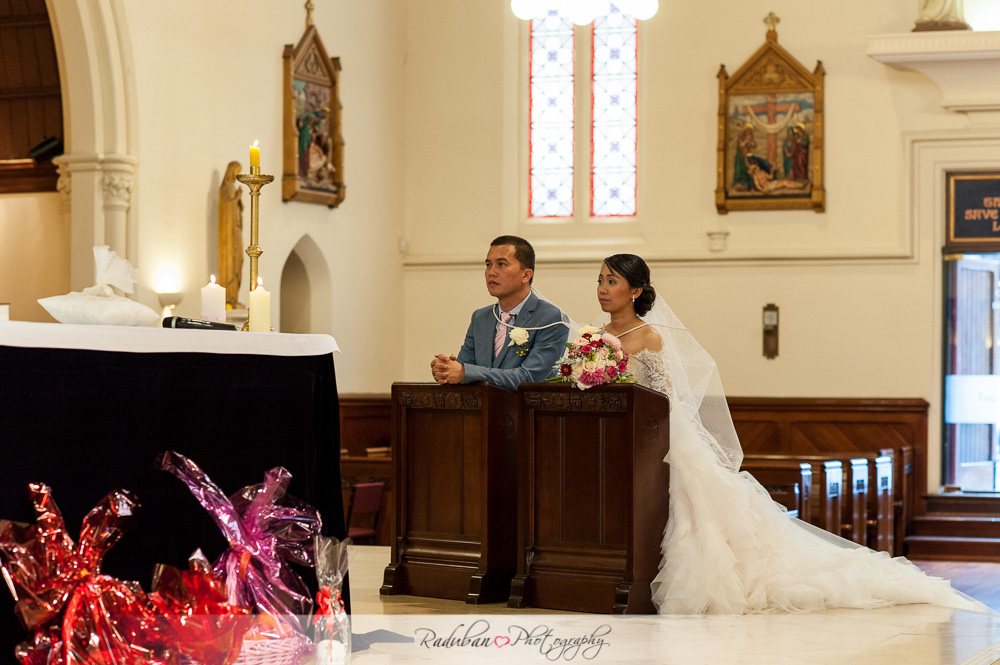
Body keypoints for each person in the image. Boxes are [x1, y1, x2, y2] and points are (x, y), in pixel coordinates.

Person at [595, 253, 987, 615]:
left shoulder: (650, 337)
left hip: (659, 439)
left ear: (637, 290)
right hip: (614, 437)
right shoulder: (594, 338)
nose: (601, 289)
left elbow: (666, 398)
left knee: (693, 519)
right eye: (599, 281)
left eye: (611, 281)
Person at [431, 235, 567, 391]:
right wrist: (446, 370)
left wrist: (464, 372)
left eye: (501, 264)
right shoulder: (480, 317)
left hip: (528, 411)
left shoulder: (551, 317)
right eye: (488, 265)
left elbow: (530, 378)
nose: (491, 272)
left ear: (526, 275)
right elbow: (464, 369)